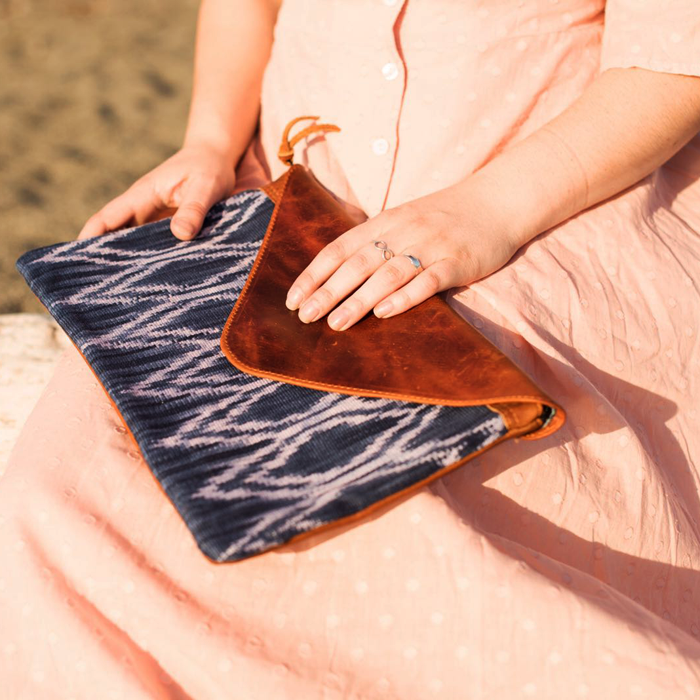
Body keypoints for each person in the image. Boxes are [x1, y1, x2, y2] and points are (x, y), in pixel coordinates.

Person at [2, 0, 700, 696]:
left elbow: (676, 56)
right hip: (287, 216)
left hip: (544, 211)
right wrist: (210, 141)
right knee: (60, 493)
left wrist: (485, 212)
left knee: (410, 513)